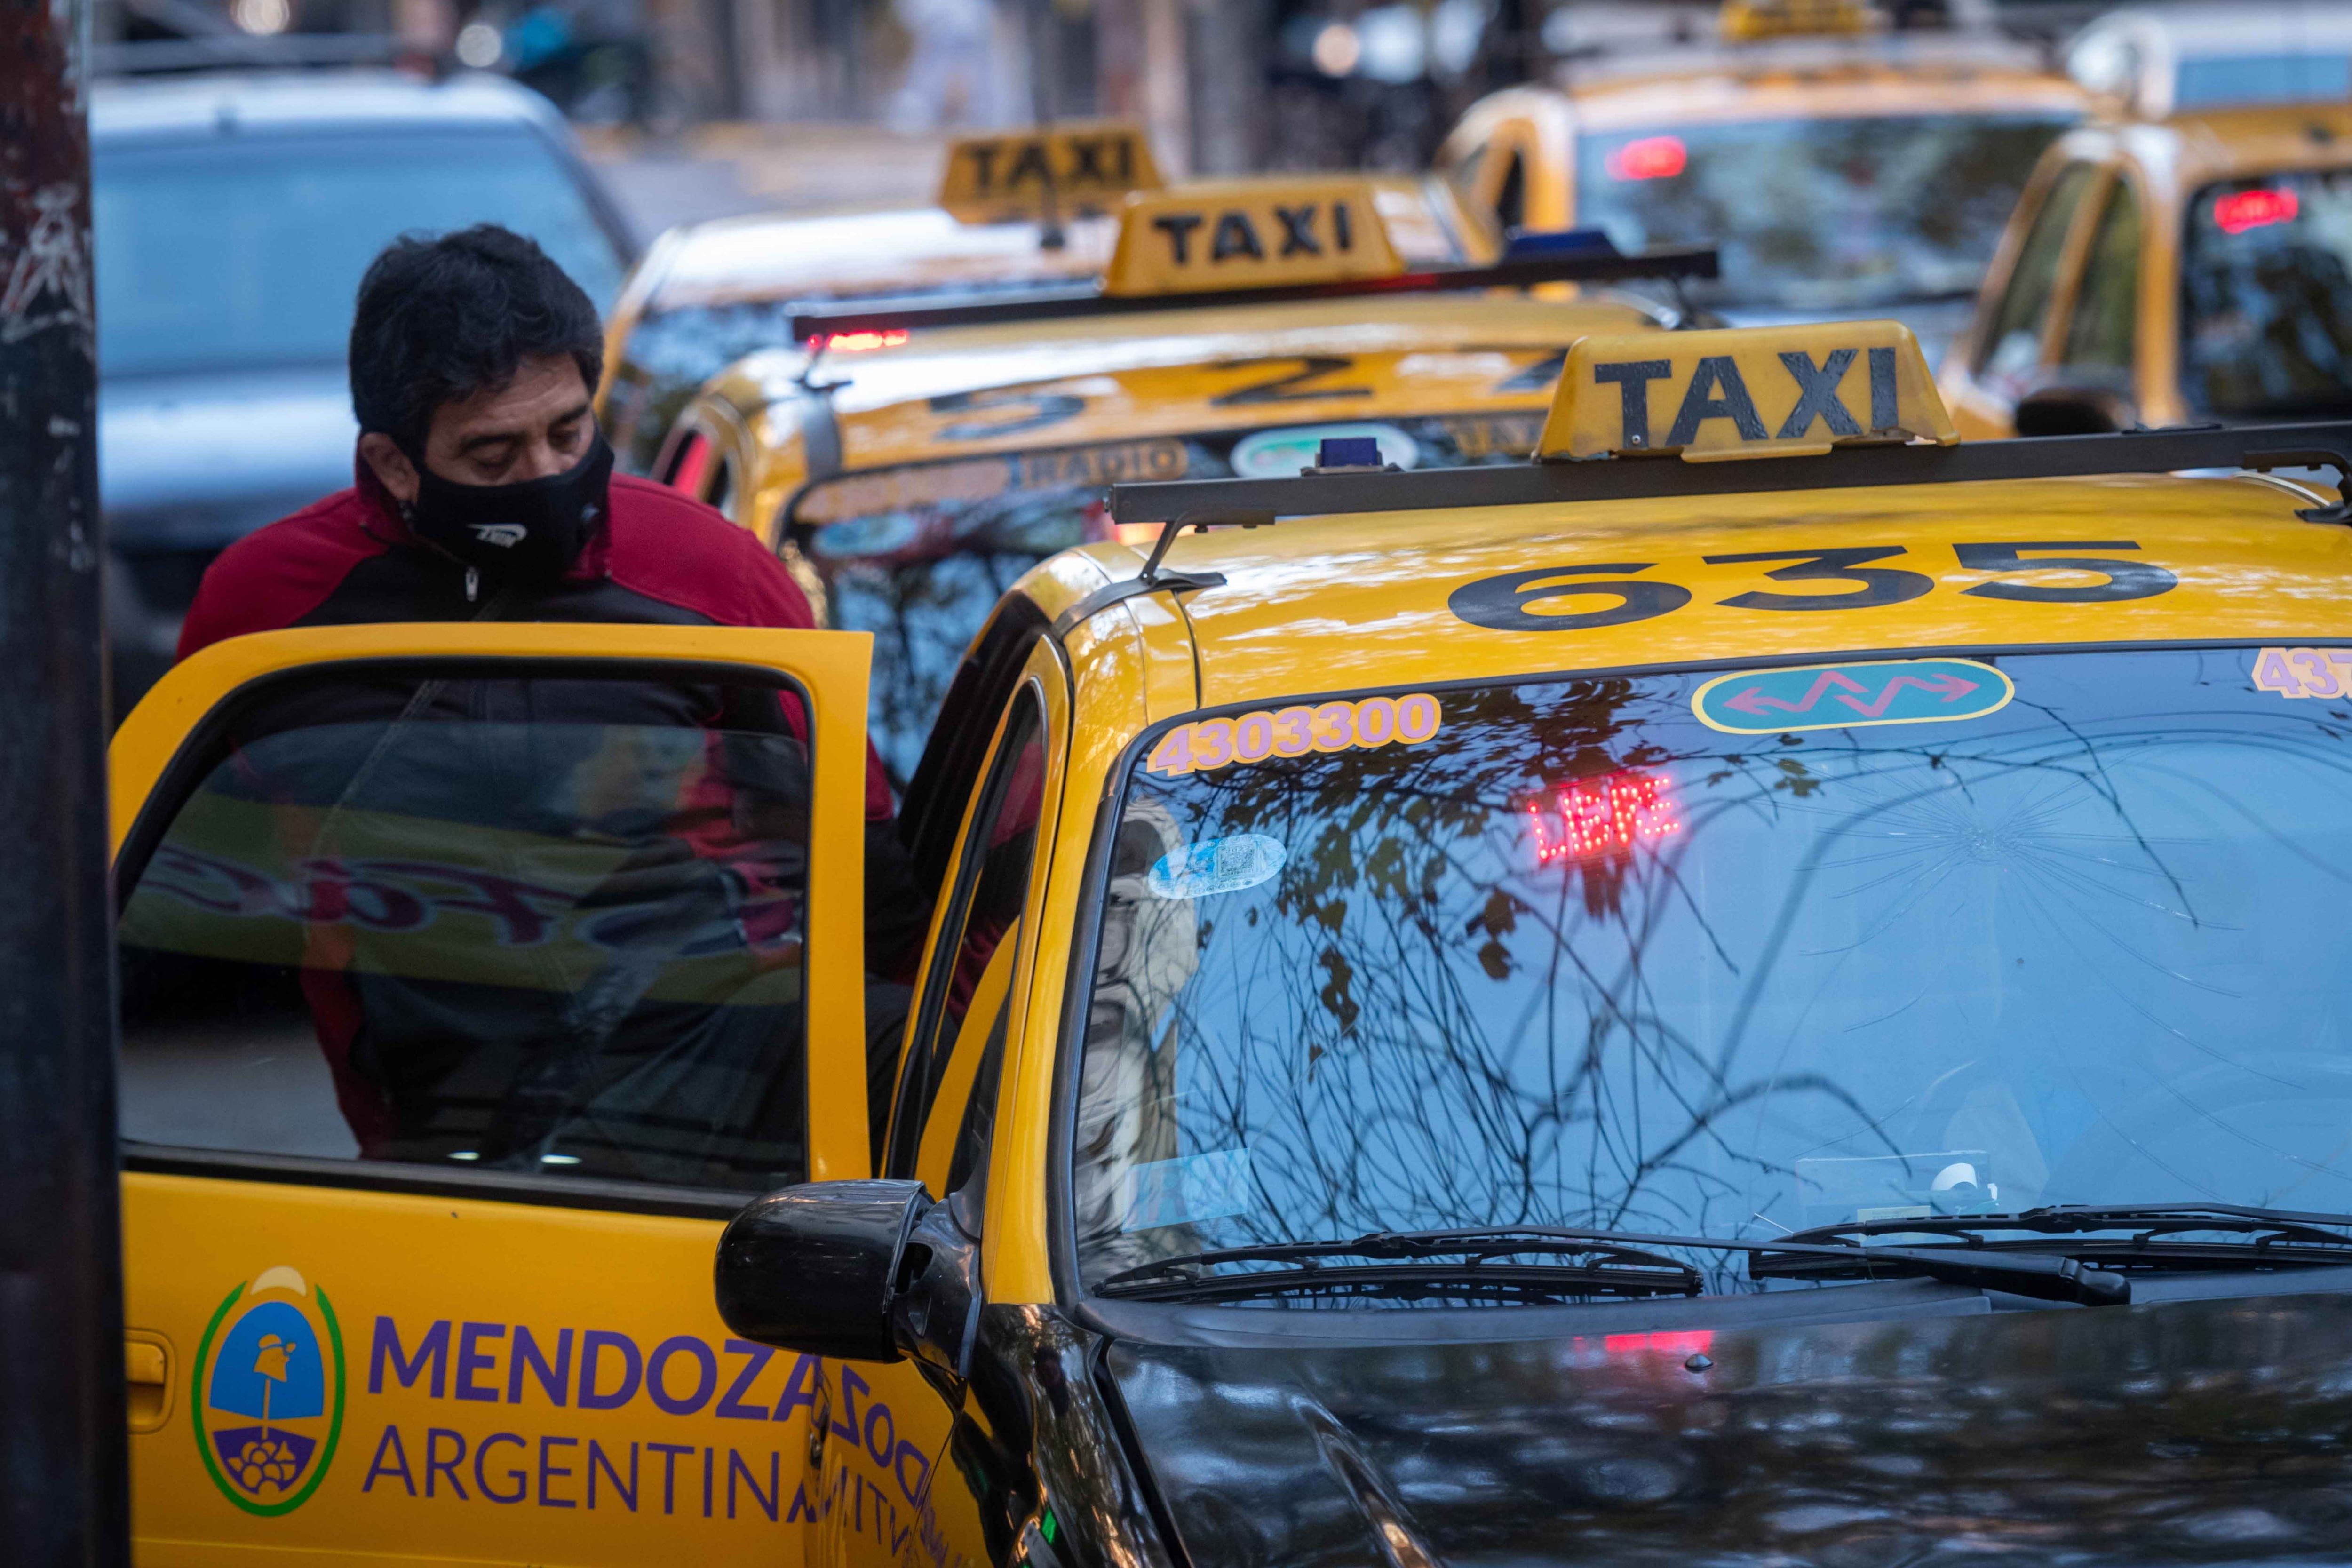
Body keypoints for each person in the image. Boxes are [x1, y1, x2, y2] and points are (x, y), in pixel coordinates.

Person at [170, 224, 922, 1178]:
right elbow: (189, 879)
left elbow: (866, 871)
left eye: (569, 432)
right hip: (444, 1131)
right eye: (492, 455)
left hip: (738, 1076)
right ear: (395, 465)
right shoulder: (263, 607)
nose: (544, 476)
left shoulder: (709, 572)